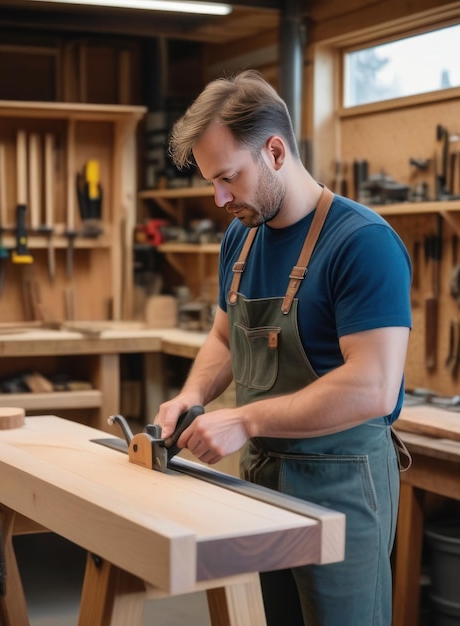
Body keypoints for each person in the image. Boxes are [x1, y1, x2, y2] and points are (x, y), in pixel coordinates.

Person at [155, 69, 412, 626]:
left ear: (275, 150)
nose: (219, 198)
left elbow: (373, 386)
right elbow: (225, 337)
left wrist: (243, 420)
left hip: (342, 487)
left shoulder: (362, 243)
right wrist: (192, 396)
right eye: (211, 182)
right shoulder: (240, 237)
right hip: (263, 480)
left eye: (229, 177)